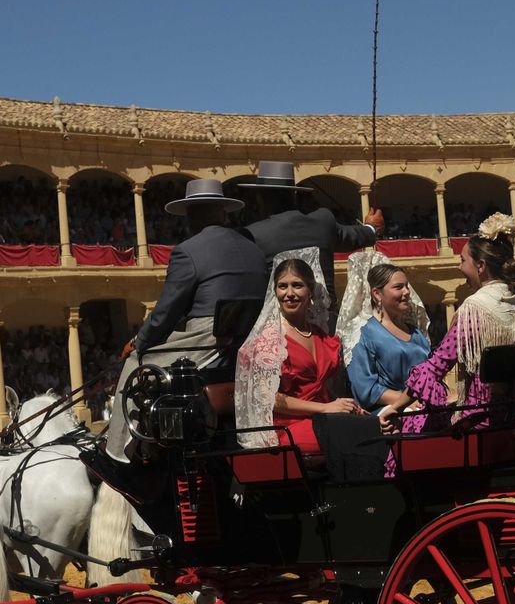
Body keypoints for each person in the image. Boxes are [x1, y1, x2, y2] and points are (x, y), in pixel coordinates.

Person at [99, 178, 269, 467]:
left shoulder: (187, 251)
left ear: (192, 215)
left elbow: (164, 314)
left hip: (207, 340)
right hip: (246, 339)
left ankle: (117, 453)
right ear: (223, 212)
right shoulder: (253, 248)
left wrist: (138, 342)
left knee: (136, 363)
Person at [379, 214, 515, 438]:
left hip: (482, 422)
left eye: (463, 260)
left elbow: (434, 369)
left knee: (412, 425)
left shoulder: (473, 310)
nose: (459, 267)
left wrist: (395, 407)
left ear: (481, 266)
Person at [235, 255, 357, 453]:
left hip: (325, 418)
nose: (289, 293)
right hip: (288, 427)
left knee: (371, 428)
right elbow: (270, 399)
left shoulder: (319, 333)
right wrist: (325, 409)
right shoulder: (270, 340)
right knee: (351, 437)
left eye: (297, 285)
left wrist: (346, 407)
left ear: (310, 291)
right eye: (282, 286)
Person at [240, 161, 382, 303]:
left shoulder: (253, 234)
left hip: (280, 319)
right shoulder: (323, 221)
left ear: (261, 197)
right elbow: (353, 237)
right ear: (294, 194)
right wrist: (371, 228)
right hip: (326, 320)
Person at [341, 255, 432, 414]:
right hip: (385, 411)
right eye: (398, 287)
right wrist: (408, 401)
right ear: (377, 294)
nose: (406, 292)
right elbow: (365, 388)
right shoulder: (361, 333)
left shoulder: (415, 332)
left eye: (406, 286)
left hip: (422, 402)